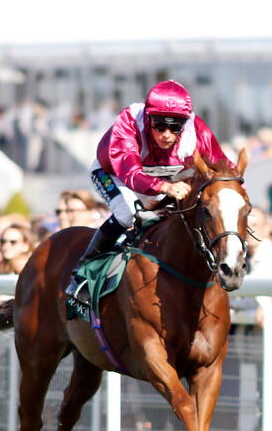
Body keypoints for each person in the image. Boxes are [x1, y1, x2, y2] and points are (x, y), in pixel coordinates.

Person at [65, 79, 233, 305]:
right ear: (148, 117)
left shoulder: (197, 131)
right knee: (126, 214)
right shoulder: (129, 121)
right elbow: (130, 172)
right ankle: (82, 274)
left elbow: (225, 170)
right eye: (160, 125)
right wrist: (165, 187)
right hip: (115, 173)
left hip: (163, 177)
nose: (167, 134)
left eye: (175, 127)